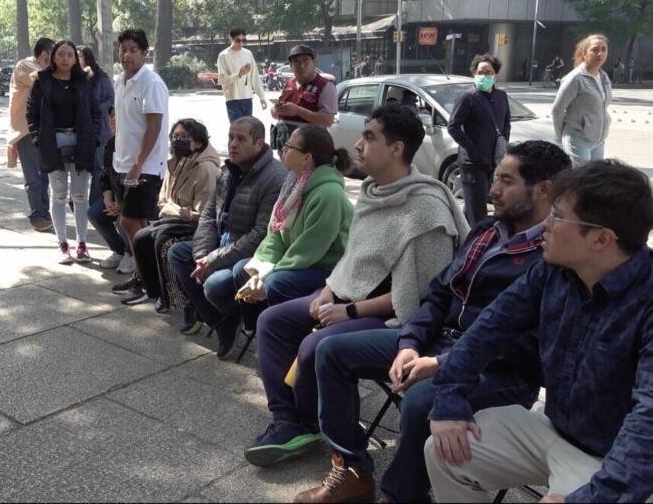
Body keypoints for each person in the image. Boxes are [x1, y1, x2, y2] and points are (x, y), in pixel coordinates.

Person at [289, 141, 571, 503]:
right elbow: (438, 294)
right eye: (495, 178)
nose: (492, 190)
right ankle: (353, 470)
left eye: (506, 181)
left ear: (543, 190)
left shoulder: (555, 254)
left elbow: (528, 345)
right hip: (439, 341)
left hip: (500, 370)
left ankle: (401, 495)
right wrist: (410, 343)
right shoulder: (487, 231)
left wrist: (440, 363)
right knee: (330, 350)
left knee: (422, 401)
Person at [246, 104, 469, 467]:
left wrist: (347, 310)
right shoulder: (371, 191)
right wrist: (328, 291)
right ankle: (290, 422)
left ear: (396, 148)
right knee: (272, 321)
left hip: (395, 320)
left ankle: (331, 440)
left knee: (316, 344)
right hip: (349, 298)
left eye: (368, 137)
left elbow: (418, 297)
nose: (358, 145)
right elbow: (352, 260)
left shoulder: (426, 210)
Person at [424, 159, 653, 504]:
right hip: (553, 430)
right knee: (444, 449)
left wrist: (592, 497)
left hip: (618, 461)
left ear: (601, 239)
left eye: (557, 216)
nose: (544, 224)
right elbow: (490, 327)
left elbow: (648, 423)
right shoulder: (554, 271)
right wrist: (450, 397)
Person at [214, 125, 355, 354]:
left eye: (289, 146)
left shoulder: (328, 194)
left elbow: (308, 251)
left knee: (276, 282)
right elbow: (276, 233)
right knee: (242, 270)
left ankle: (281, 339)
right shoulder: (294, 182)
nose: (283, 149)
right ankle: (259, 330)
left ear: (306, 158)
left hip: (325, 268)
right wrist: (258, 270)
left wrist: (268, 275)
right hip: (300, 260)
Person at [167, 116, 287, 355]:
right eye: (231, 137)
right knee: (178, 253)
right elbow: (208, 216)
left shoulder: (274, 178)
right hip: (221, 245)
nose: (233, 144)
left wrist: (212, 261)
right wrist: (202, 256)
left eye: (241, 139)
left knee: (213, 284)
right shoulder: (228, 170)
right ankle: (221, 322)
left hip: (248, 255)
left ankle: (231, 314)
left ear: (259, 144)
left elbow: (259, 235)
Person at [120, 119, 221, 310]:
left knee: (162, 241)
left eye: (184, 137)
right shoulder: (175, 163)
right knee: (141, 238)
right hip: (175, 220)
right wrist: (174, 209)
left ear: (199, 142)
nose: (178, 141)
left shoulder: (206, 169)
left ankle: (176, 299)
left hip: (197, 226)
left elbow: (202, 214)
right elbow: (162, 200)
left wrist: (174, 209)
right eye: (175, 137)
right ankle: (155, 291)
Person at [26, 40, 99, 264]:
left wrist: (94, 137)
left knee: (80, 197)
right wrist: (38, 139)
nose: (65, 58)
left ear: (75, 59)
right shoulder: (41, 81)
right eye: (61, 54)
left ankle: (82, 243)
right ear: (53, 57)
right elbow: (31, 113)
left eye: (70, 55)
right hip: (52, 141)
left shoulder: (84, 81)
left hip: (81, 141)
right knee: (58, 196)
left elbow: (95, 111)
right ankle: (62, 244)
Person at [110, 29, 170, 296]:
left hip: (145, 167)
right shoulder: (120, 81)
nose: (127, 55)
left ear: (145, 53)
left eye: (133, 50)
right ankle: (148, 277)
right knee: (140, 227)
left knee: (130, 222)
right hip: (122, 163)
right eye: (123, 49)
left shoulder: (151, 83)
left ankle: (148, 281)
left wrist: (137, 164)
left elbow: (154, 127)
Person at [448, 54, 511, 226]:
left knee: (474, 205)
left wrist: (503, 144)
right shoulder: (467, 97)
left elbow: (506, 123)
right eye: (481, 72)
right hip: (473, 162)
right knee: (477, 210)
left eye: (489, 72)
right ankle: (476, 239)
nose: (485, 76)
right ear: (474, 74)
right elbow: (453, 127)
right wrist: (472, 150)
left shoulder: (501, 96)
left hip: (493, 159)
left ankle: (463, 232)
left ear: (495, 75)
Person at [10, 38, 55, 232]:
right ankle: (37, 215)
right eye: (55, 55)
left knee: (44, 176)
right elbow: (43, 80)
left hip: (43, 130)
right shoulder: (25, 65)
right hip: (26, 131)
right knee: (33, 177)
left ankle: (44, 212)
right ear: (44, 54)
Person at [87, 107, 137, 275]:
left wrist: (122, 205)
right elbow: (106, 176)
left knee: (124, 219)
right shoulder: (110, 144)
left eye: (118, 116)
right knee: (94, 213)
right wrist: (108, 200)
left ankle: (132, 254)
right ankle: (120, 250)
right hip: (116, 197)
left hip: (135, 200)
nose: (114, 120)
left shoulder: (136, 145)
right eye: (111, 116)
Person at [552, 34, 612, 167]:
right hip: (577, 138)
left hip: (598, 140)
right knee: (582, 176)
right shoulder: (575, 78)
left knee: (596, 176)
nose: (600, 53)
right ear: (584, 53)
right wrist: (561, 136)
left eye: (603, 49)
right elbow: (557, 110)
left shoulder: (604, 77)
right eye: (595, 50)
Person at [269, 45, 337, 155]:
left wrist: (298, 111)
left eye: (306, 60)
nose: (301, 65)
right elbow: (275, 114)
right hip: (285, 143)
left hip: (309, 147)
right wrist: (276, 110)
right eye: (296, 61)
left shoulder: (325, 86)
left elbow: (328, 120)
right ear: (291, 65)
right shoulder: (289, 83)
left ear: (314, 62)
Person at [77, 45, 115, 206]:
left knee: (98, 169)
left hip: (100, 131)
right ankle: (77, 202)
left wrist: (96, 108)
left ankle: (94, 204)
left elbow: (110, 98)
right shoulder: (72, 77)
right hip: (78, 131)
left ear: (87, 59)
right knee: (80, 170)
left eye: (78, 57)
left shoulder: (101, 78)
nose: (75, 60)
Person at [217, 27, 267, 122]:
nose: (241, 43)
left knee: (248, 128)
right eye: (238, 40)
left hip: (247, 98)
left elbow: (255, 76)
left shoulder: (248, 53)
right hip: (232, 98)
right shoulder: (223, 55)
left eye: (243, 40)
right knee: (237, 128)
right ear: (231, 38)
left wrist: (261, 97)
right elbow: (222, 80)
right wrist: (239, 74)